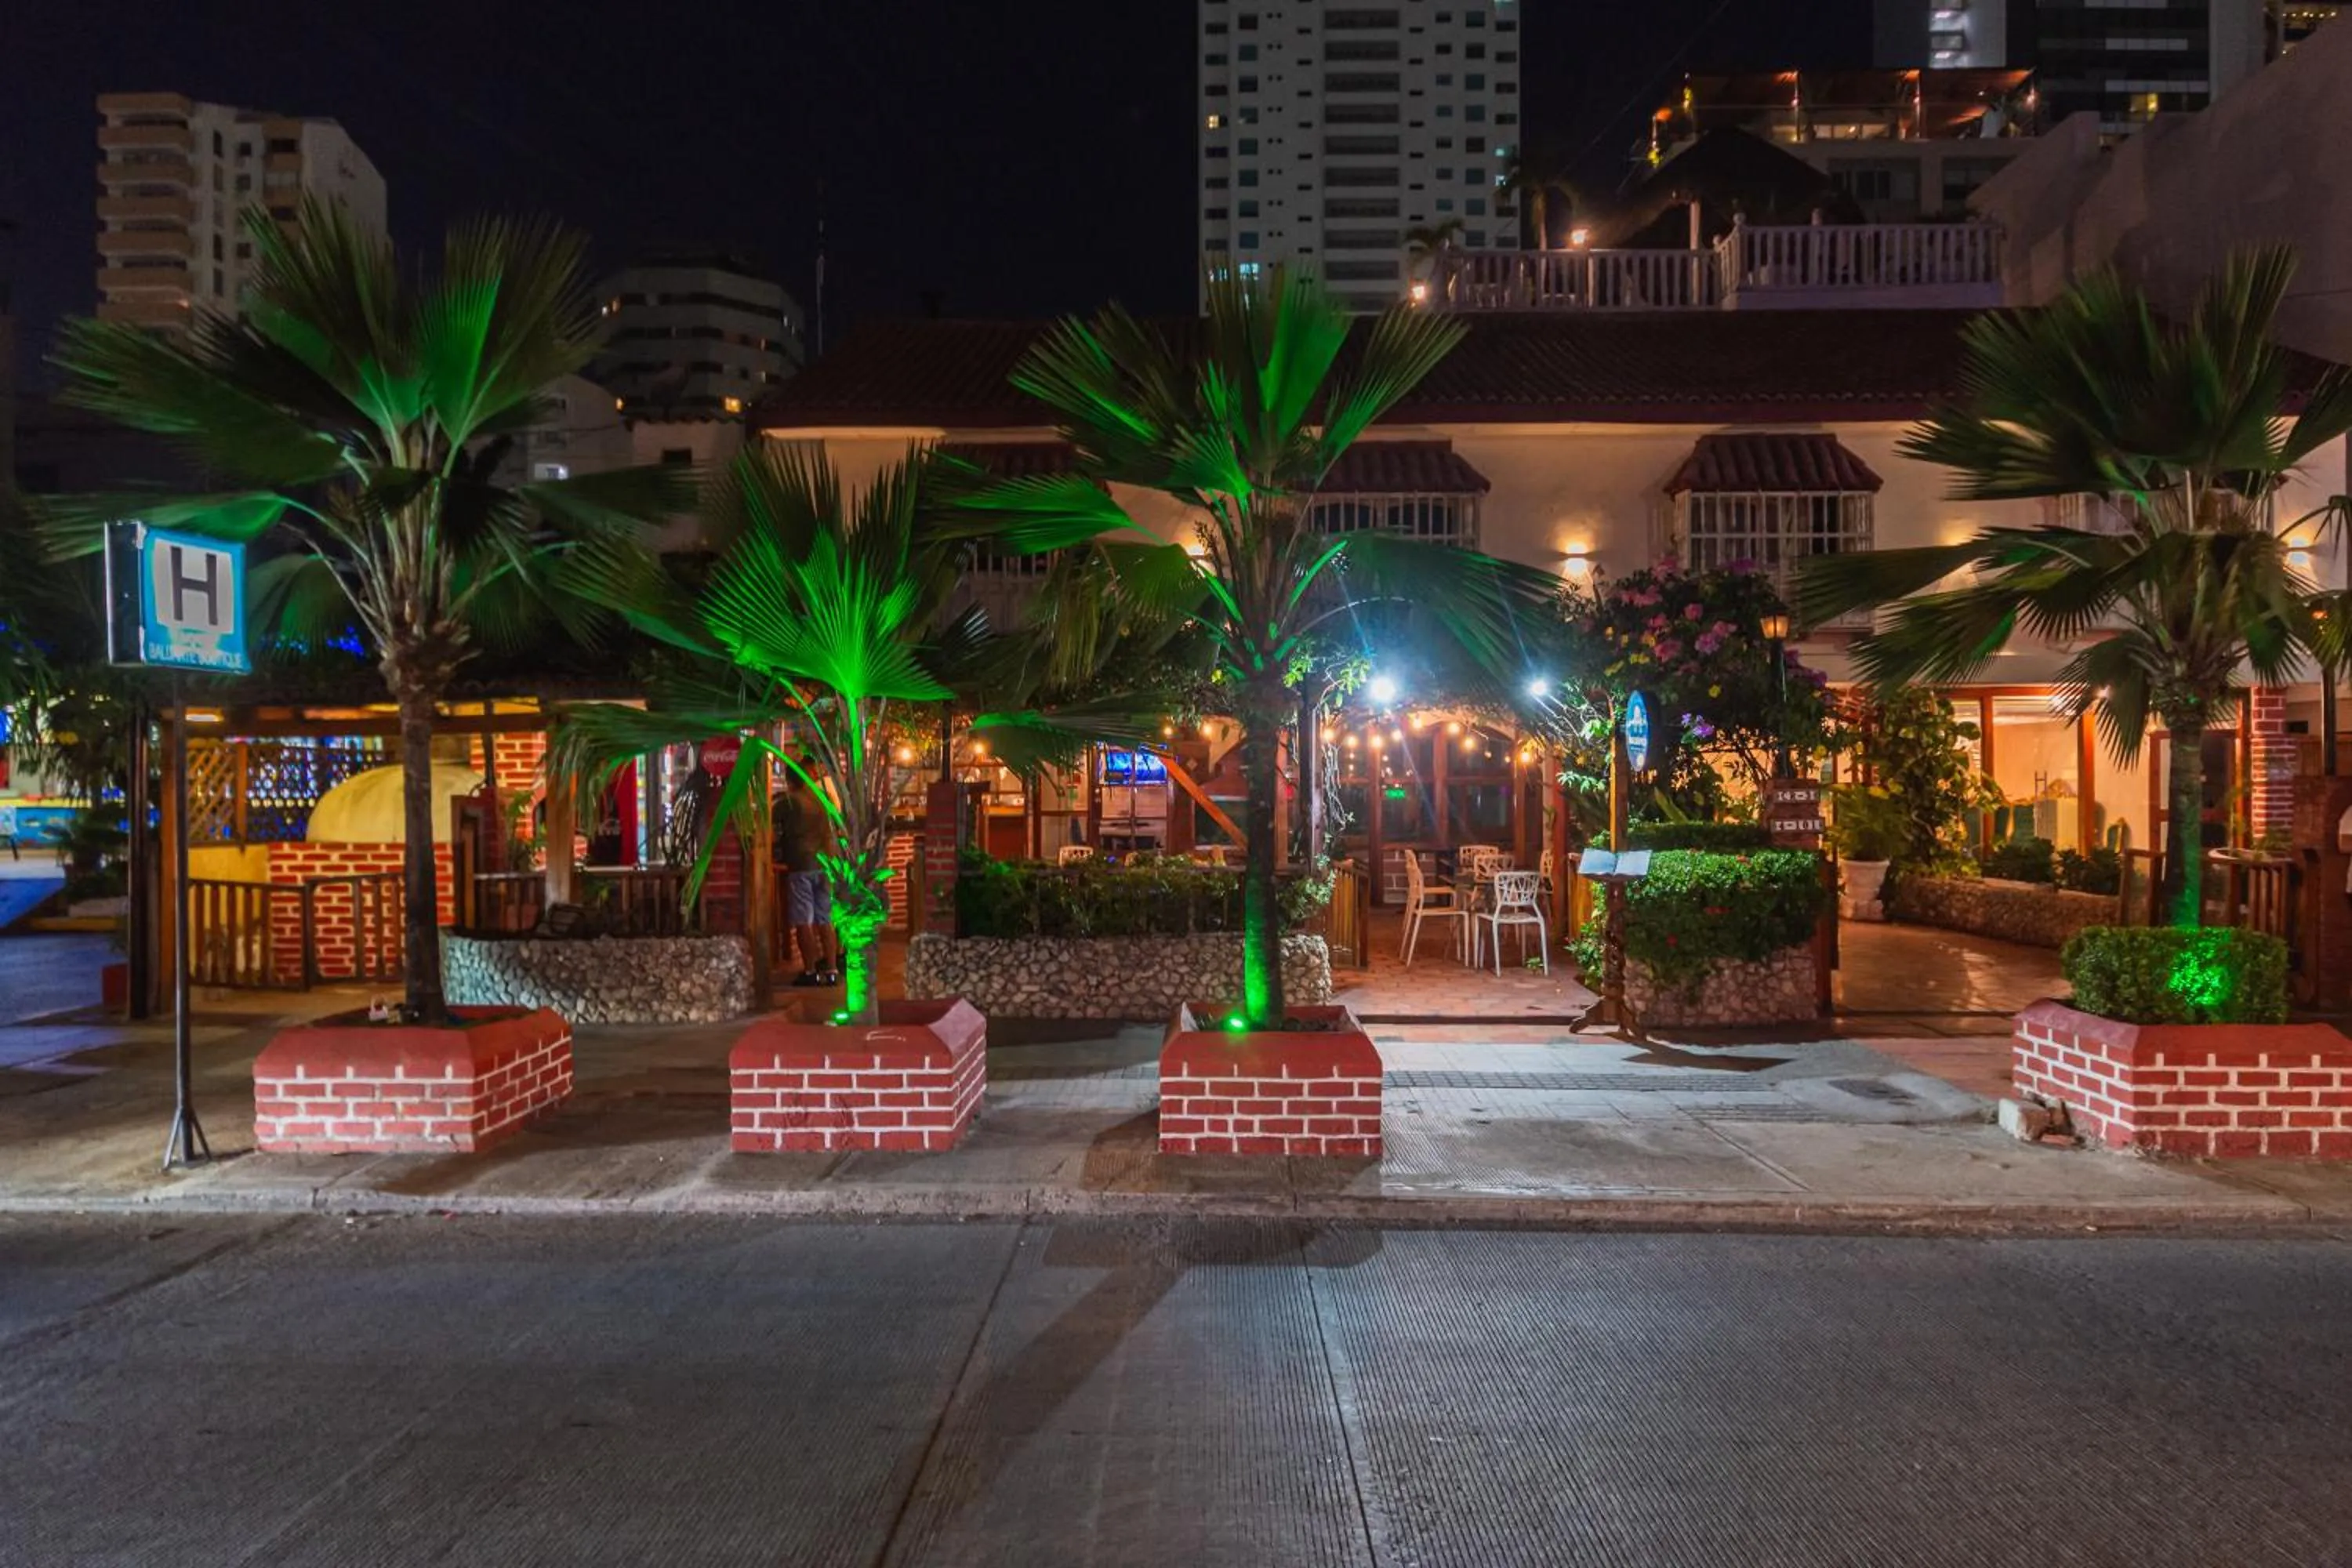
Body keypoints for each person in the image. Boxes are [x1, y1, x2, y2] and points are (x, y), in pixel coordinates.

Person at [772, 758, 840, 987]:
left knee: (805, 920)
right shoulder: (825, 798)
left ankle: (810, 971)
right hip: (825, 864)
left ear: (790, 780)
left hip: (801, 864)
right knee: (825, 918)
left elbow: (767, 828)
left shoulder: (788, 802)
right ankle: (831, 970)